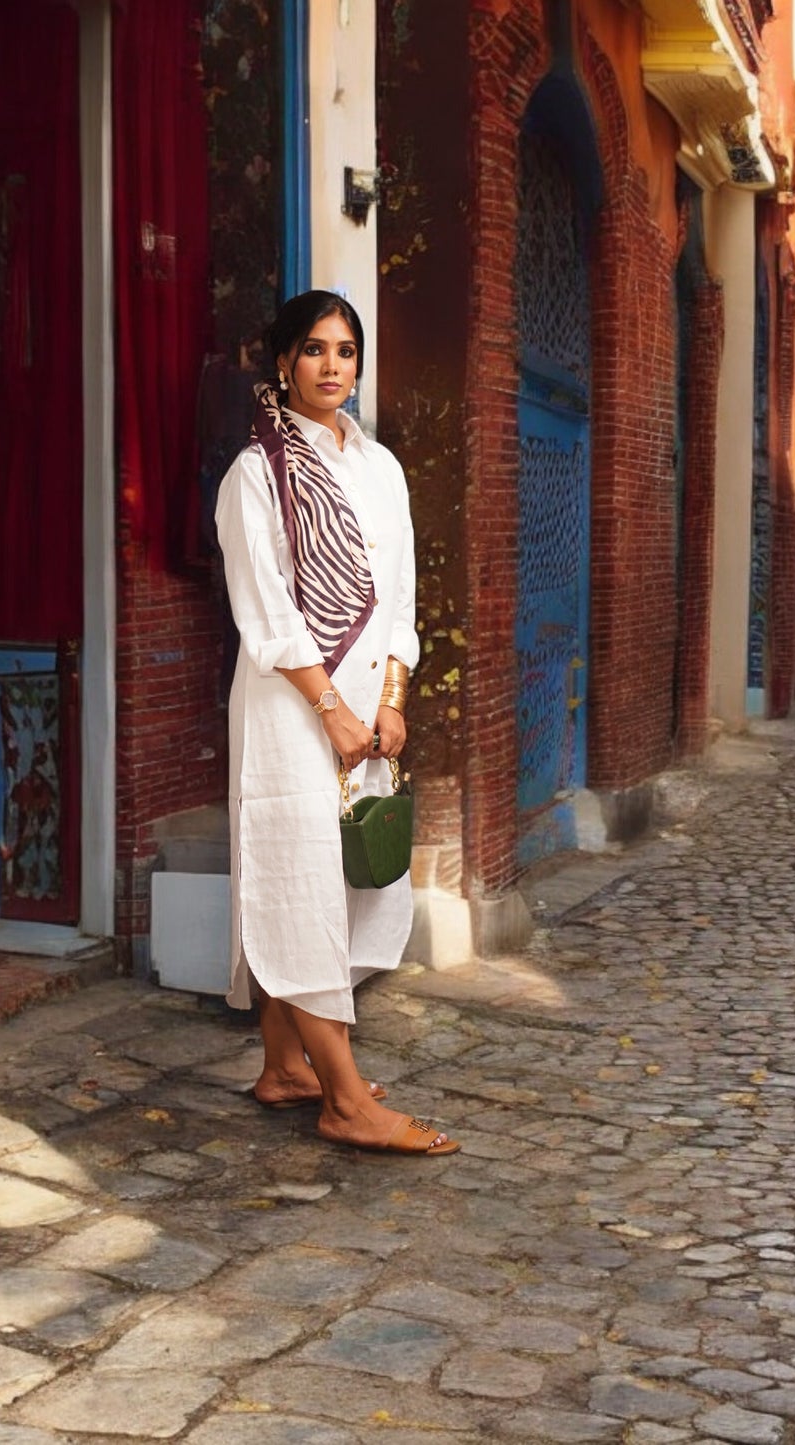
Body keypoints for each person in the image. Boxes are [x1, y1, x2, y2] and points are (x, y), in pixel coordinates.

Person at [215, 290, 459, 1157]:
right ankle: (345, 1099)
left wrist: (390, 702)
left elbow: (398, 597)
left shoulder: (381, 468)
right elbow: (267, 611)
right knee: (300, 884)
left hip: (366, 708)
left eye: (345, 350)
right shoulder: (256, 475)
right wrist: (333, 710)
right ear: (284, 362)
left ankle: (286, 1067)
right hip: (293, 707)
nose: (332, 366)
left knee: (350, 883)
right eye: (314, 349)